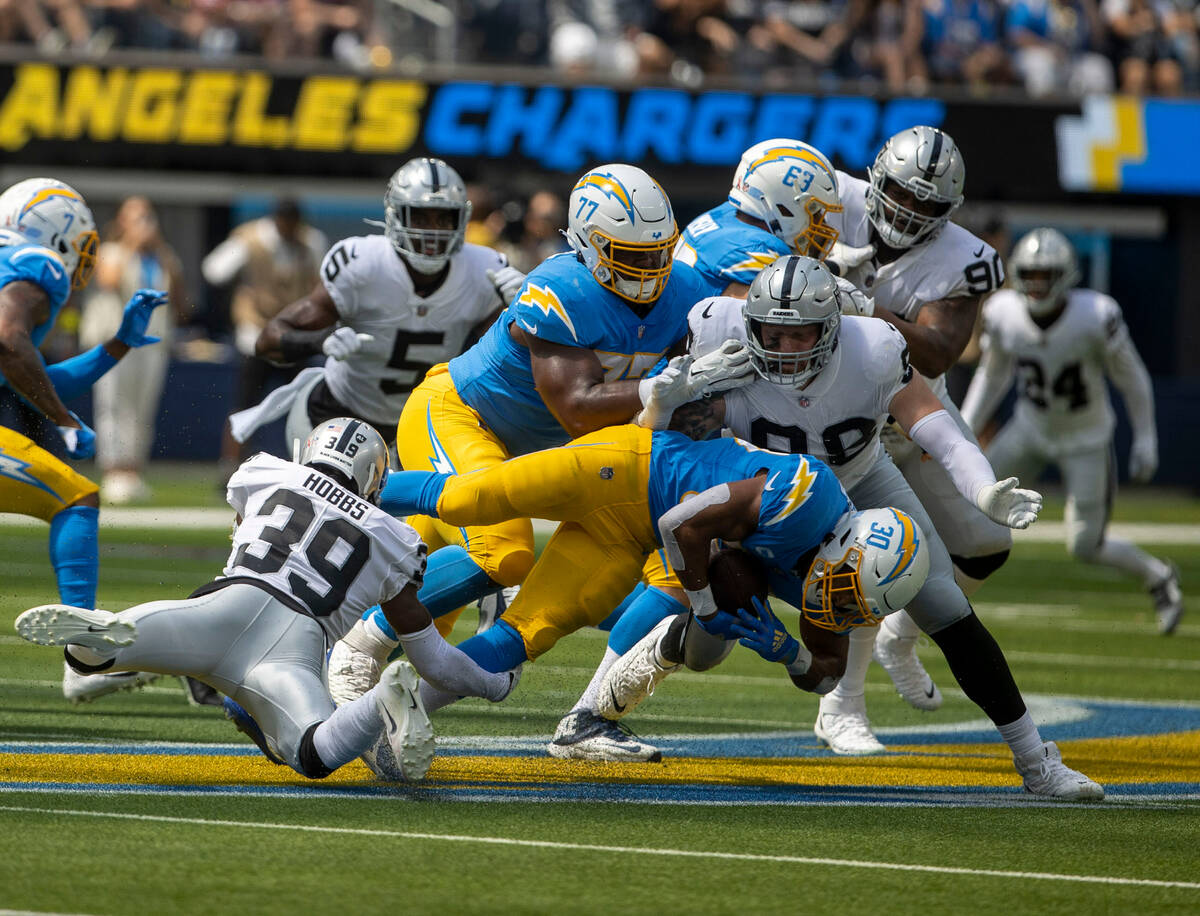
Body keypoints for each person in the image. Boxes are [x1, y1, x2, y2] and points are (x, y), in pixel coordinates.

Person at [594, 258, 1098, 800]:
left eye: (799, 334)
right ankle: (649, 655)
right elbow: (651, 447)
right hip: (758, 497)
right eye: (772, 333)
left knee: (944, 605)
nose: (784, 347)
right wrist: (663, 400)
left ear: (831, 327)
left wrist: (980, 489)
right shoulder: (716, 331)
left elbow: (939, 432)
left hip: (858, 482)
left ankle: (1037, 762)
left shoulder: (872, 349)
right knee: (708, 646)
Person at [326, 163, 748, 755]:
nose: (650, 270)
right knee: (505, 552)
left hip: (548, 450)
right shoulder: (561, 287)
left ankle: (573, 718)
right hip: (461, 415)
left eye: (659, 253)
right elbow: (577, 408)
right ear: (588, 246)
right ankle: (361, 641)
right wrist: (664, 390)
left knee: (579, 594)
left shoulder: (687, 292)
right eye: (631, 255)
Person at [14, 418, 518, 782]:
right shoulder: (396, 540)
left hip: (222, 609)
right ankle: (379, 701)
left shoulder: (267, 473)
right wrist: (489, 684)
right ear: (374, 478)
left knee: (88, 659)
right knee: (313, 753)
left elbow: (250, 532)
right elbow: (433, 660)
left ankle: (101, 634)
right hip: (294, 648)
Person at [371, 416, 922, 726]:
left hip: (627, 537)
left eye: (856, 603)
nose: (839, 604)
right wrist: (703, 603)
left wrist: (791, 652)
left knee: (527, 635)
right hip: (626, 470)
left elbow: (827, 673)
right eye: (847, 588)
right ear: (850, 545)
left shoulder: (840, 585)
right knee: (469, 499)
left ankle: (393, 715)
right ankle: (335, 480)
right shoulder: (807, 498)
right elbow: (683, 524)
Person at [819, 125, 1015, 747]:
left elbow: (935, 352)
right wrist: (814, 267)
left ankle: (901, 636)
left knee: (986, 544)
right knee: (866, 546)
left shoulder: (965, 257)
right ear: (876, 180)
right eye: (904, 195)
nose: (911, 212)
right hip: (825, 407)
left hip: (911, 405)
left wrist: (865, 303)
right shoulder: (826, 197)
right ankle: (842, 704)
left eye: (929, 205)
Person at [961, 228, 1184, 634]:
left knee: (1085, 545)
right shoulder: (1003, 311)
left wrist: (1146, 436)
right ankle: (939, 598)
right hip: (1029, 429)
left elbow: (1131, 377)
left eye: (1046, 274)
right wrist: (964, 429)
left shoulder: (1096, 315)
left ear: (1065, 275)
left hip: (1086, 438)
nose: (1037, 283)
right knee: (969, 500)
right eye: (1030, 273)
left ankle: (1158, 576)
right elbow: (992, 377)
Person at [0, 177, 168, 703]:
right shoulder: (39, 263)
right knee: (76, 496)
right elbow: (9, 343)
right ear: (59, 229)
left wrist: (117, 344)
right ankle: (84, 660)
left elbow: (28, 375)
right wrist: (65, 421)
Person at [230, 158, 520, 458]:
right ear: (395, 216)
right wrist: (321, 341)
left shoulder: (485, 270)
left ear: (461, 221)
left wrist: (523, 312)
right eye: (420, 217)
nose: (433, 232)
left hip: (423, 422)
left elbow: (502, 365)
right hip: (339, 414)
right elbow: (267, 340)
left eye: (443, 218)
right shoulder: (363, 264)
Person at [201, 199, 327, 472]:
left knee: (304, 403)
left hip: (294, 336)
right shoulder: (251, 239)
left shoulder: (311, 242)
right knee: (246, 404)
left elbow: (321, 283)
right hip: (256, 335)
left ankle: (311, 465)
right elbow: (214, 270)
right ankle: (231, 464)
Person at [80, 195, 187, 505]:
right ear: (122, 221)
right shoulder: (112, 251)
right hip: (116, 340)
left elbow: (179, 297)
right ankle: (114, 471)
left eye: (147, 216)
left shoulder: (161, 257)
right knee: (114, 405)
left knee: (142, 409)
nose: (143, 223)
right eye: (135, 217)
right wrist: (130, 244)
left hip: (152, 342)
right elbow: (109, 281)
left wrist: (160, 249)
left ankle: (133, 471)